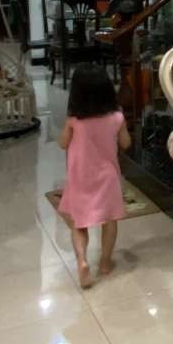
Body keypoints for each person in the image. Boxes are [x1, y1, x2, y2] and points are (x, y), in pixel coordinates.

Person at [57, 65, 131, 289]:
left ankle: (82, 260)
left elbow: (62, 144)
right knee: (109, 220)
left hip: (80, 177)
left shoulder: (74, 121)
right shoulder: (117, 117)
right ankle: (105, 263)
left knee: (79, 223)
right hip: (107, 177)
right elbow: (126, 143)